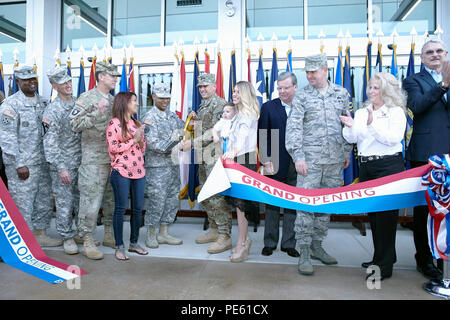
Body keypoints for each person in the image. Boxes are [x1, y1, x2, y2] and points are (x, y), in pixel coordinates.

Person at [285, 53, 352, 275]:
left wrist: (346, 152)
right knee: (305, 205)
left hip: (334, 161)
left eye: (314, 71)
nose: (310, 75)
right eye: (307, 72)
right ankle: (303, 249)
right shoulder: (302, 96)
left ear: (325, 70)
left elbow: (348, 124)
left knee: (325, 205)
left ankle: (317, 245)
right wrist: (298, 157)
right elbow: (293, 129)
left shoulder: (341, 93)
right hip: (310, 163)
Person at [340, 72, 407, 281]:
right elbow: (353, 138)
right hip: (367, 167)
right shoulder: (362, 111)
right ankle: (382, 257)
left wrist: (370, 125)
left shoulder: (396, 112)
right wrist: (349, 126)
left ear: (387, 90)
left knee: (387, 217)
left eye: (376, 87)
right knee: (375, 217)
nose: (371, 91)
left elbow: (393, 139)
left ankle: (383, 266)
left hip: (388, 166)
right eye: (370, 87)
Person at [403, 37, 450, 280]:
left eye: (439, 51)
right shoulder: (414, 80)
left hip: (449, 155)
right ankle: (424, 258)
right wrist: (443, 84)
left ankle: (445, 257)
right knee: (425, 210)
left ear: (446, 54)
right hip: (426, 155)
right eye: (429, 52)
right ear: (421, 58)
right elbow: (417, 106)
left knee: (448, 211)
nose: (435, 54)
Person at [0, 65, 62, 247]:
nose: (31, 82)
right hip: (23, 165)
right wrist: (19, 163)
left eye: (33, 78)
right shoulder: (10, 105)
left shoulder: (43, 103)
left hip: (42, 163)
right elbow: (6, 136)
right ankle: (22, 241)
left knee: (43, 200)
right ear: (18, 81)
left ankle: (39, 234)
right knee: (23, 204)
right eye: (26, 79)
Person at [70, 61, 120, 260]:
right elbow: (73, 123)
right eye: (112, 75)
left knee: (111, 199)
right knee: (90, 201)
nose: (115, 79)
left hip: (113, 158)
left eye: (116, 76)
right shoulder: (87, 97)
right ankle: (87, 239)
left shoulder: (113, 99)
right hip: (93, 160)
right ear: (100, 77)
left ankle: (108, 233)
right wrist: (96, 113)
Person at [189, 73, 233, 254]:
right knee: (206, 195)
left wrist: (192, 142)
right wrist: (194, 123)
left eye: (206, 86)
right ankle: (214, 229)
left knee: (216, 196)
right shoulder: (203, 105)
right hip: (203, 157)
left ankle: (225, 235)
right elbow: (204, 129)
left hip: (215, 158)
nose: (202, 89)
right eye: (200, 87)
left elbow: (216, 131)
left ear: (214, 86)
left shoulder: (221, 105)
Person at [258, 71, 299, 258]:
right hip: (274, 162)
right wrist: (265, 160)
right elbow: (263, 136)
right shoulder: (268, 107)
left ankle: (289, 243)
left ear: (295, 87)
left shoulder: (303, 106)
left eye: (285, 88)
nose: (281, 91)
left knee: (293, 203)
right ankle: (270, 242)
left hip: (298, 163)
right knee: (272, 204)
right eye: (279, 88)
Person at [141, 83, 185, 249]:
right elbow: (154, 144)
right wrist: (177, 146)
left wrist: (191, 123)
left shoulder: (172, 117)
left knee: (172, 199)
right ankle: (151, 233)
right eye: (161, 97)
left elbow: (184, 131)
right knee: (156, 201)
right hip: (157, 169)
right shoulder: (149, 118)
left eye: (167, 97)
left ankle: (164, 233)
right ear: (153, 97)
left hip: (173, 166)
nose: (165, 100)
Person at [43, 66, 81, 255]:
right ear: (54, 86)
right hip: (64, 165)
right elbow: (50, 141)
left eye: (68, 81)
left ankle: (79, 232)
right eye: (62, 83)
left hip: (81, 163)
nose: (67, 85)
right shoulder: (52, 110)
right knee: (65, 202)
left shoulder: (78, 103)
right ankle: (67, 237)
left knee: (79, 200)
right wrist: (60, 167)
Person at [107, 91, 148, 260]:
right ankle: (119, 246)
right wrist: (134, 139)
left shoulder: (135, 122)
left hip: (139, 171)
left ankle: (134, 243)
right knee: (120, 209)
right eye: (134, 101)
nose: (137, 104)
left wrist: (139, 138)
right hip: (121, 171)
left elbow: (142, 148)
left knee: (138, 209)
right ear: (124, 103)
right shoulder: (114, 123)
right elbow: (113, 147)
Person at [222, 81, 260, 263]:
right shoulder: (237, 113)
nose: (234, 93)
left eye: (238, 91)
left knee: (241, 205)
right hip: (236, 159)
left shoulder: (248, 113)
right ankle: (244, 240)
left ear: (245, 93)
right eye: (234, 90)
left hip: (244, 160)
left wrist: (233, 152)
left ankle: (242, 243)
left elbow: (244, 136)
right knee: (238, 205)